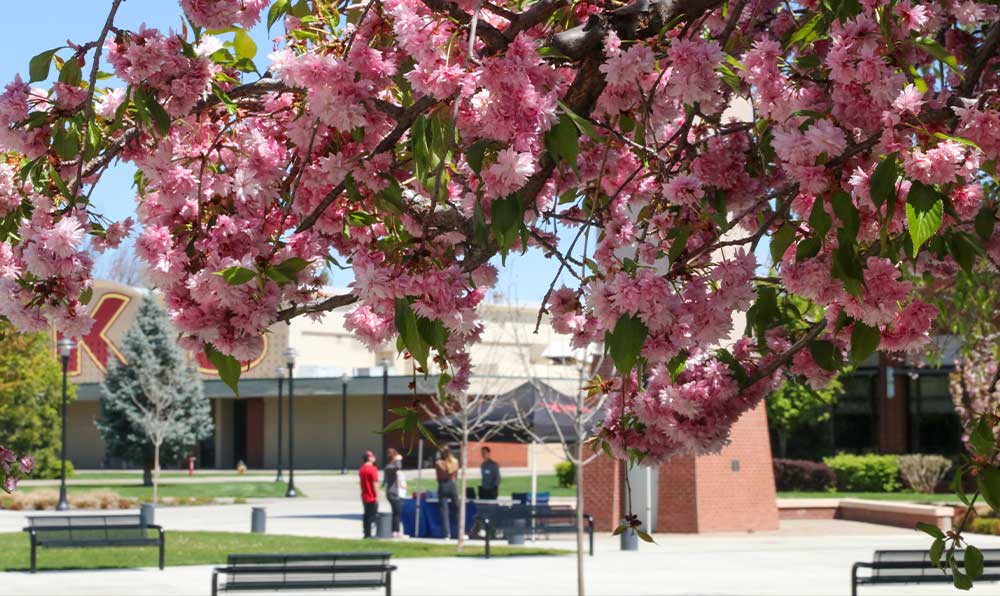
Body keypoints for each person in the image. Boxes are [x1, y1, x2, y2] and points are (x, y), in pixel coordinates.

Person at [435, 446, 459, 539]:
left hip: (442, 485)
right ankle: (459, 532)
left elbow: (438, 475)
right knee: (457, 509)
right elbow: (456, 474)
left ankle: (446, 534)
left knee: (444, 511)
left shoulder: (439, 463)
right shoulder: (455, 462)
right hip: (452, 484)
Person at [383, 447, 405, 537]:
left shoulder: (390, 466)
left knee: (397, 512)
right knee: (397, 512)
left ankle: (395, 531)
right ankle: (396, 531)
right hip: (392, 493)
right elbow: (398, 467)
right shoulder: (389, 467)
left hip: (395, 492)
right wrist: (398, 459)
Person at [359, 450, 379, 538]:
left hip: (364, 495)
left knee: (366, 515)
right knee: (372, 516)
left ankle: (366, 533)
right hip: (371, 496)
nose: (374, 458)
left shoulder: (362, 469)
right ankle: (370, 534)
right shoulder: (372, 469)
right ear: (369, 458)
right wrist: (377, 495)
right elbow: (375, 483)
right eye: (373, 456)